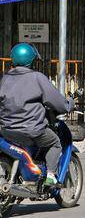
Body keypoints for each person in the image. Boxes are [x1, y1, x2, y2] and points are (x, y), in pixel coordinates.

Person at [0, 43, 74, 186]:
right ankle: (51, 175)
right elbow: (58, 102)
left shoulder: (5, 79)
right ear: (32, 60)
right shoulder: (37, 78)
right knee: (55, 142)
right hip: (31, 130)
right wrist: (69, 104)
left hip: (6, 130)